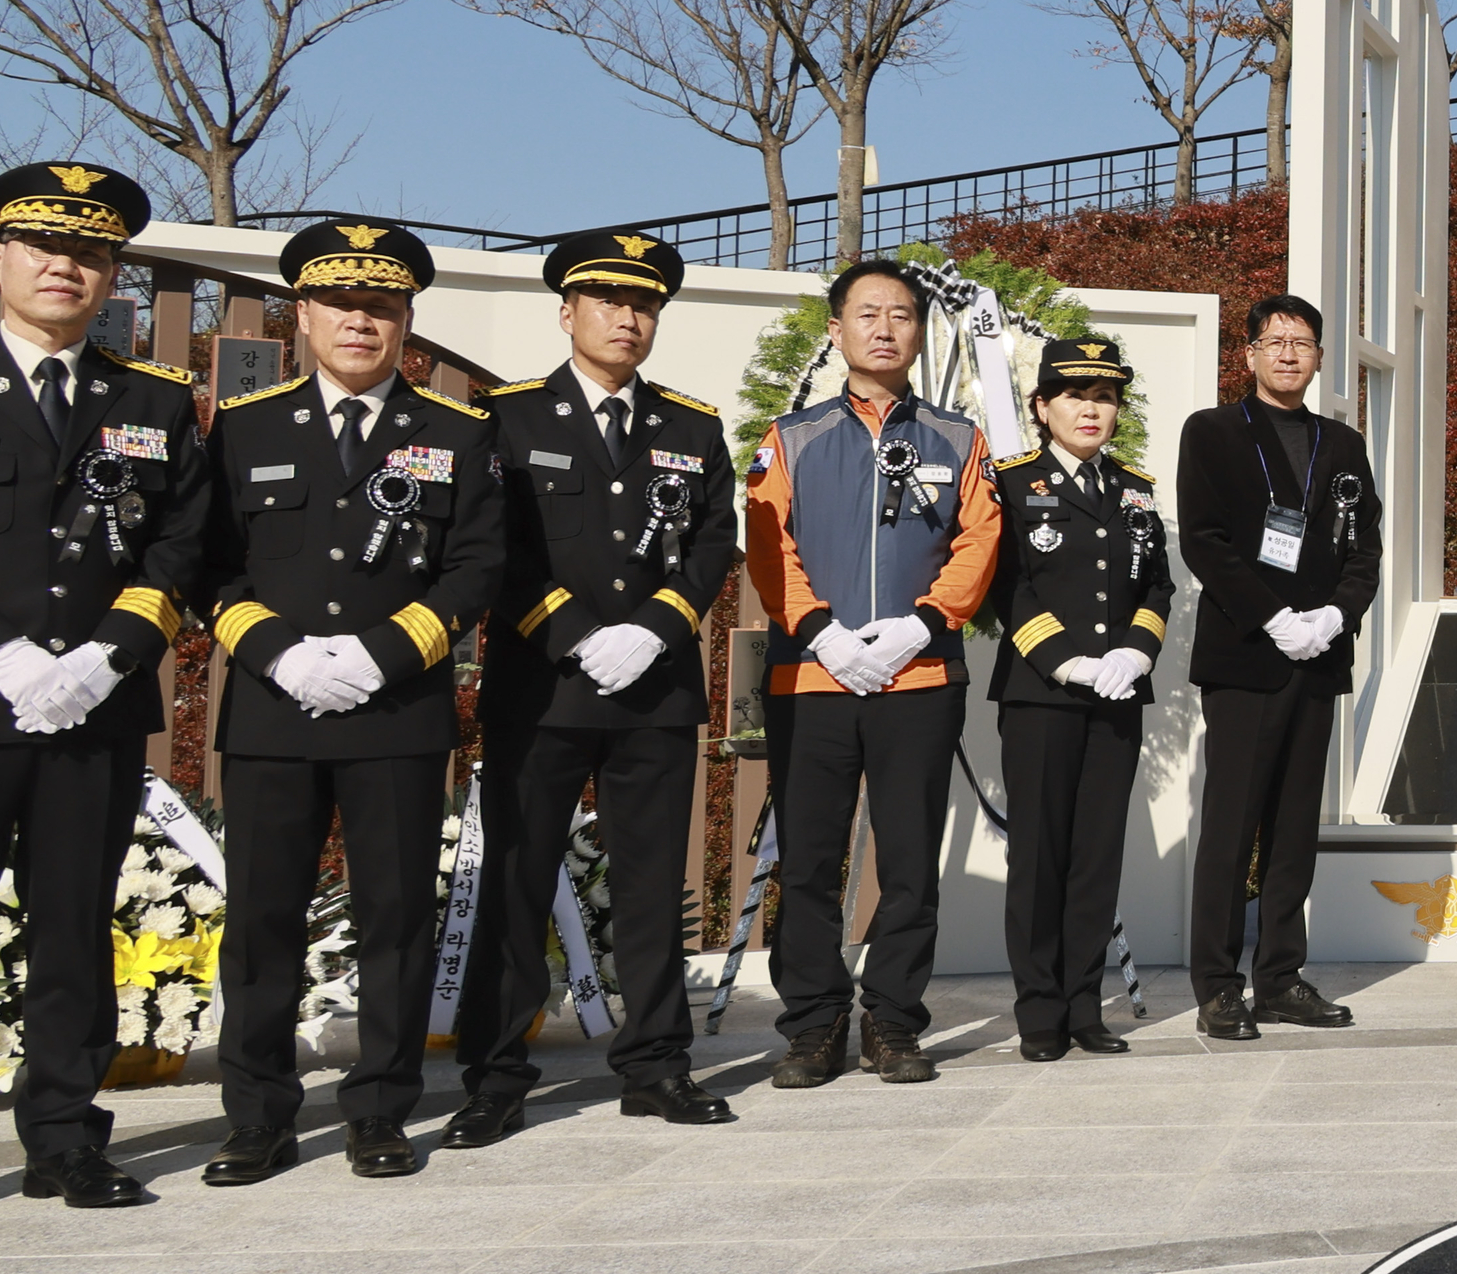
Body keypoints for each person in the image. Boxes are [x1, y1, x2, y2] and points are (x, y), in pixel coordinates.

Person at [0, 162, 214, 1234]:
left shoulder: (152, 399)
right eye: (44, 246)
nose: (66, 265)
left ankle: (64, 1135)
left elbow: (180, 542)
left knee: (76, 928)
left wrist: (109, 654)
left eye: (90, 251)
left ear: (111, 271)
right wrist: (3, 655)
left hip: (94, 708)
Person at [201, 220, 506, 1182]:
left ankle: (379, 1108)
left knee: (394, 917)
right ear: (305, 314)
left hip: (395, 712)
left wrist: (378, 657)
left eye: (380, 307)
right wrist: (281, 654)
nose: (359, 323)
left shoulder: (457, 433)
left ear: (407, 319)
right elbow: (206, 563)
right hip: (271, 709)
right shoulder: (245, 429)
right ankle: (257, 1117)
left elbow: (476, 567)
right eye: (341, 305)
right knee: (260, 922)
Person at [451, 230, 743, 1144]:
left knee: (653, 884)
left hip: (653, 690)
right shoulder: (505, 418)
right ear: (567, 312)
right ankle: (495, 1075)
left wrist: (654, 628)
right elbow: (491, 550)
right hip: (542, 688)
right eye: (610, 301)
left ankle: (656, 1065)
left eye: (644, 304)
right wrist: (577, 635)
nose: (628, 317)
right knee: (516, 878)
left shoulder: (691, 427)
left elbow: (710, 545)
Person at [744, 259, 1002, 1088]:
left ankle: (892, 1023)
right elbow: (766, 545)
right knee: (811, 861)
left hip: (920, 680)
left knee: (910, 859)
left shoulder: (959, 438)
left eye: (901, 315)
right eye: (867, 314)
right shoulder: (791, 438)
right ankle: (812, 1025)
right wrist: (822, 634)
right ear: (837, 329)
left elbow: (980, 539)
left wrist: (921, 625)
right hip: (812, 681)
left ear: (920, 333)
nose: (884, 328)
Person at [1181, 294, 1382, 1038]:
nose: (1290, 354)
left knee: (1296, 827)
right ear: (1250, 354)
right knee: (1232, 827)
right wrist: (1273, 618)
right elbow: (1204, 541)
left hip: (1319, 660)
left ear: (1321, 357)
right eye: (1276, 341)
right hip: (1245, 657)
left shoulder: (1341, 445)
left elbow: (1367, 548)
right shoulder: (1213, 433)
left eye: (1303, 342)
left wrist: (1334, 616)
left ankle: (1281, 977)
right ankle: (1217, 984)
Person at [989, 337, 1174, 1061]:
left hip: (1119, 695)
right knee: (1040, 857)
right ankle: (1039, 1014)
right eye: (1075, 395)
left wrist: (1136, 651)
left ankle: (1082, 1007)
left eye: (1104, 397)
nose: (1091, 408)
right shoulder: (1013, 482)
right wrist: (1066, 663)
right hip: (1041, 695)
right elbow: (1007, 585)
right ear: (1042, 407)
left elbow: (1157, 584)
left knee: (1096, 857)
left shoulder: (1135, 487)